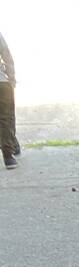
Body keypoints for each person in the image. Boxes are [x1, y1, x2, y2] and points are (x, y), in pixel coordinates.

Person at [0, 28, 18, 170]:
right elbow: (6, 53)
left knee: (7, 118)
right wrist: (11, 77)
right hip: (2, 82)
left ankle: (12, 144)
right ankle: (8, 155)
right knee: (7, 117)